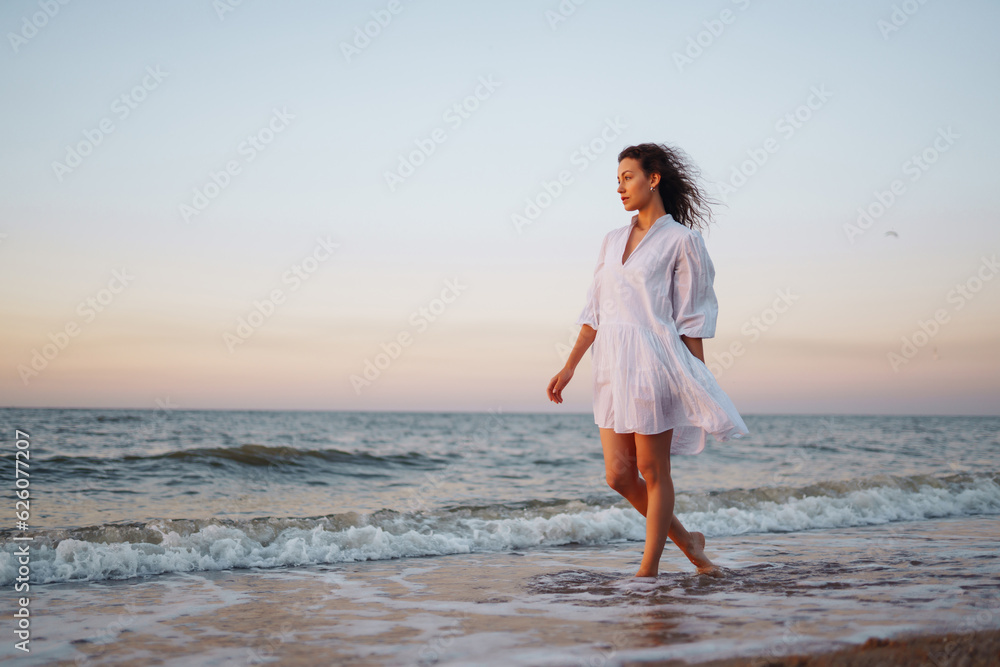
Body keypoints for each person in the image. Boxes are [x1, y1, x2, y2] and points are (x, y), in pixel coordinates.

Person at [546, 142, 750, 580]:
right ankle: (690, 543)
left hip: (653, 360)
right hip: (610, 365)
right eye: (616, 180)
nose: (620, 187)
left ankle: (648, 571)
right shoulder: (610, 240)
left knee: (652, 470)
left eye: (627, 177)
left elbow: (693, 317)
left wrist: (698, 375)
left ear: (652, 178)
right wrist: (569, 366)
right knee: (618, 475)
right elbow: (593, 312)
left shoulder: (683, 241)